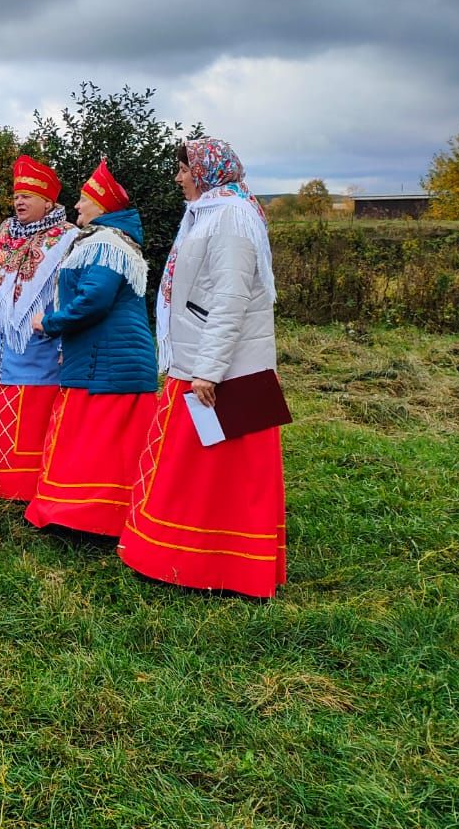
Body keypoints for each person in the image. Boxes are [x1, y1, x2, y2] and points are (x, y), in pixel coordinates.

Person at [118, 138, 286, 598]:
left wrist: (208, 371)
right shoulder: (212, 211)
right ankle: (183, 557)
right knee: (197, 474)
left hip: (222, 374)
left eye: (183, 169)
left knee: (214, 475)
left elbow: (230, 299)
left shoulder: (230, 217)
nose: (177, 178)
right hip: (199, 362)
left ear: (206, 172)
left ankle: (214, 564)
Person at [24, 160, 156, 536]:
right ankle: (92, 516)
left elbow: (94, 300)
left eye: (84, 200)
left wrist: (50, 323)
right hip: (106, 360)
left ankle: (85, 517)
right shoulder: (110, 242)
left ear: (101, 205)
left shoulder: (104, 243)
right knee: (103, 445)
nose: (77, 206)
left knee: (95, 443)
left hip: (108, 363)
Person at [0, 155, 79, 500]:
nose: (19, 201)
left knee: (28, 417)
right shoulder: (5, 231)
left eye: (27, 196)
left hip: (37, 346)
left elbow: (67, 292)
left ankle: (23, 486)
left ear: (48, 201)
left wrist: (64, 343)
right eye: (16, 195)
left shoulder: (66, 237)